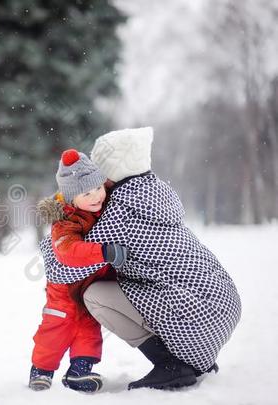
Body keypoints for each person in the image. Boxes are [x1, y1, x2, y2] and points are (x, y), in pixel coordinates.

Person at [40, 127, 241, 390]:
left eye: (99, 175)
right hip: (224, 303)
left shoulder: (119, 211)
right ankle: (195, 358)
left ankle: (171, 364)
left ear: (110, 170)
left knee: (94, 295)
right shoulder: (155, 191)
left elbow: (62, 269)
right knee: (152, 288)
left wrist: (51, 240)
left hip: (197, 315)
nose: (96, 186)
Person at [29, 149, 128, 392]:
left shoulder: (102, 205)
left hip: (90, 287)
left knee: (89, 329)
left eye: (98, 188)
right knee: (55, 329)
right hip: (64, 291)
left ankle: (79, 372)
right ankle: (40, 371)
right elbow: (68, 252)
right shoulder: (65, 222)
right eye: (87, 193)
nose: (96, 196)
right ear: (73, 198)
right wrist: (103, 252)